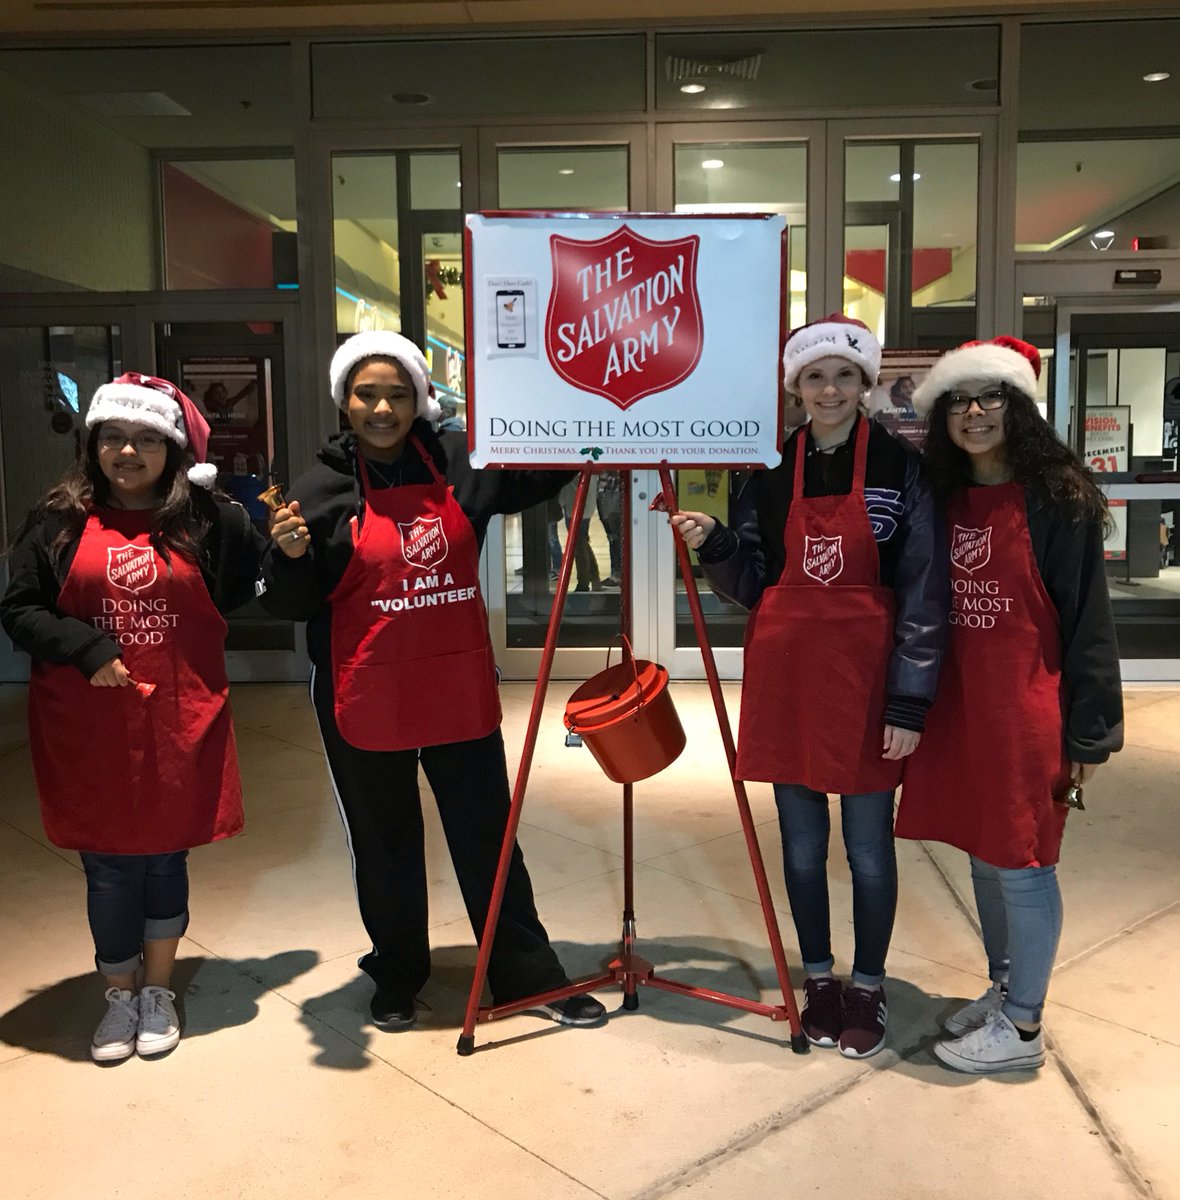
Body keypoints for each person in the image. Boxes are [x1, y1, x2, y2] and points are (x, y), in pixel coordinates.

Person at [257, 330, 606, 1031]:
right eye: (367, 395)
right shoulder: (318, 490)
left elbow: (534, 476)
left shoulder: (455, 460)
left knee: (488, 834)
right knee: (384, 842)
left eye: (397, 394)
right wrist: (290, 556)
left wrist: (587, 428)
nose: (382, 409)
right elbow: (284, 604)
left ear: (420, 399)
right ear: (344, 402)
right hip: (365, 690)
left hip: (453, 683)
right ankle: (396, 973)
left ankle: (526, 974)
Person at [671, 314, 947, 1058]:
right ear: (796, 387)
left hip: (866, 684)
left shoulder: (901, 469)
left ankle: (869, 985)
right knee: (799, 846)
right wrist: (719, 547)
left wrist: (909, 699)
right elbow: (755, 585)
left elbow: (923, 592)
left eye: (845, 376)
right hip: (788, 679)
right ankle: (820, 977)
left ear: (865, 385)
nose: (829, 389)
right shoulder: (766, 471)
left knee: (867, 848)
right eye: (815, 377)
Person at [0, 373, 262, 1063]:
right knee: (110, 865)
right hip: (88, 724)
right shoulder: (56, 521)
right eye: (114, 437)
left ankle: (160, 990)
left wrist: (282, 540)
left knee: (164, 855)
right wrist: (86, 648)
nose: (128, 452)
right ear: (93, 445)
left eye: (147, 439)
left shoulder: (205, 521)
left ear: (172, 451)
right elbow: (19, 609)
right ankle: (119, 994)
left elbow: (239, 590)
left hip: (178, 716)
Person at [896, 336, 1124, 1074]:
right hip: (961, 708)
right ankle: (1004, 986)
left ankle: (1023, 1027)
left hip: (1026, 709)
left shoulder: (1058, 497)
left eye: (990, 397)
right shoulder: (941, 492)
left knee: (1024, 862)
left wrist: (1092, 732)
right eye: (959, 401)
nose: (974, 412)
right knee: (984, 858)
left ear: (1018, 407)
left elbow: (1089, 618)